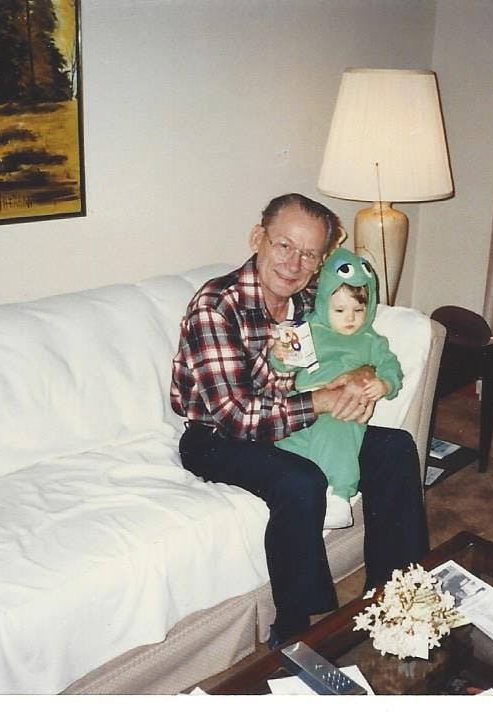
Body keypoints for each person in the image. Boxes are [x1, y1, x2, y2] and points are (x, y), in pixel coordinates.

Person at [170, 193, 428, 647]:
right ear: (258, 239)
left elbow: (359, 333)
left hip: (292, 421)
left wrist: (364, 375)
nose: (294, 263)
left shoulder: (310, 296)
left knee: (395, 449)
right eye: (284, 245)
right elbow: (236, 415)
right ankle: (293, 626)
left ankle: (394, 595)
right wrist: (326, 401)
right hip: (217, 436)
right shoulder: (217, 305)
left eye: (309, 253)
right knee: (299, 480)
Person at [270, 247, 403, 530]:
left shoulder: (371, 341)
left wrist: (384, 383)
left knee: (339, 431)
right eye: (340, 310)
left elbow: (392, 368)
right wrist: (280, 356)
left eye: (358, 310)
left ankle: (339, 495)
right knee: (290, 445)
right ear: (323, 303)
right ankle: (308, 488)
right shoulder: (310, 330)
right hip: (306, 402)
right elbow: (285, 367)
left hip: (345, 407)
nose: (350, 318)